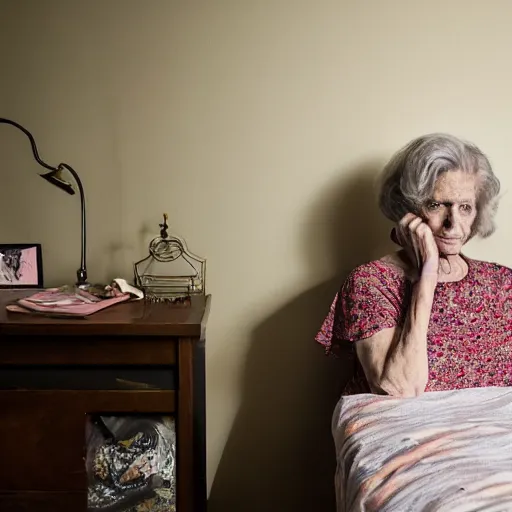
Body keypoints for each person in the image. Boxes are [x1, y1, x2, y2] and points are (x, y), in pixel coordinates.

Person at [315, 133, 512, 397]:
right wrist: (427, 274)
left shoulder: (502, 283)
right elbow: (397, 390)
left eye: (465, 207)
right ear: (406, 208)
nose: (453, 223)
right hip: (413, 436)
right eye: (436, 205)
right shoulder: (371, 282)